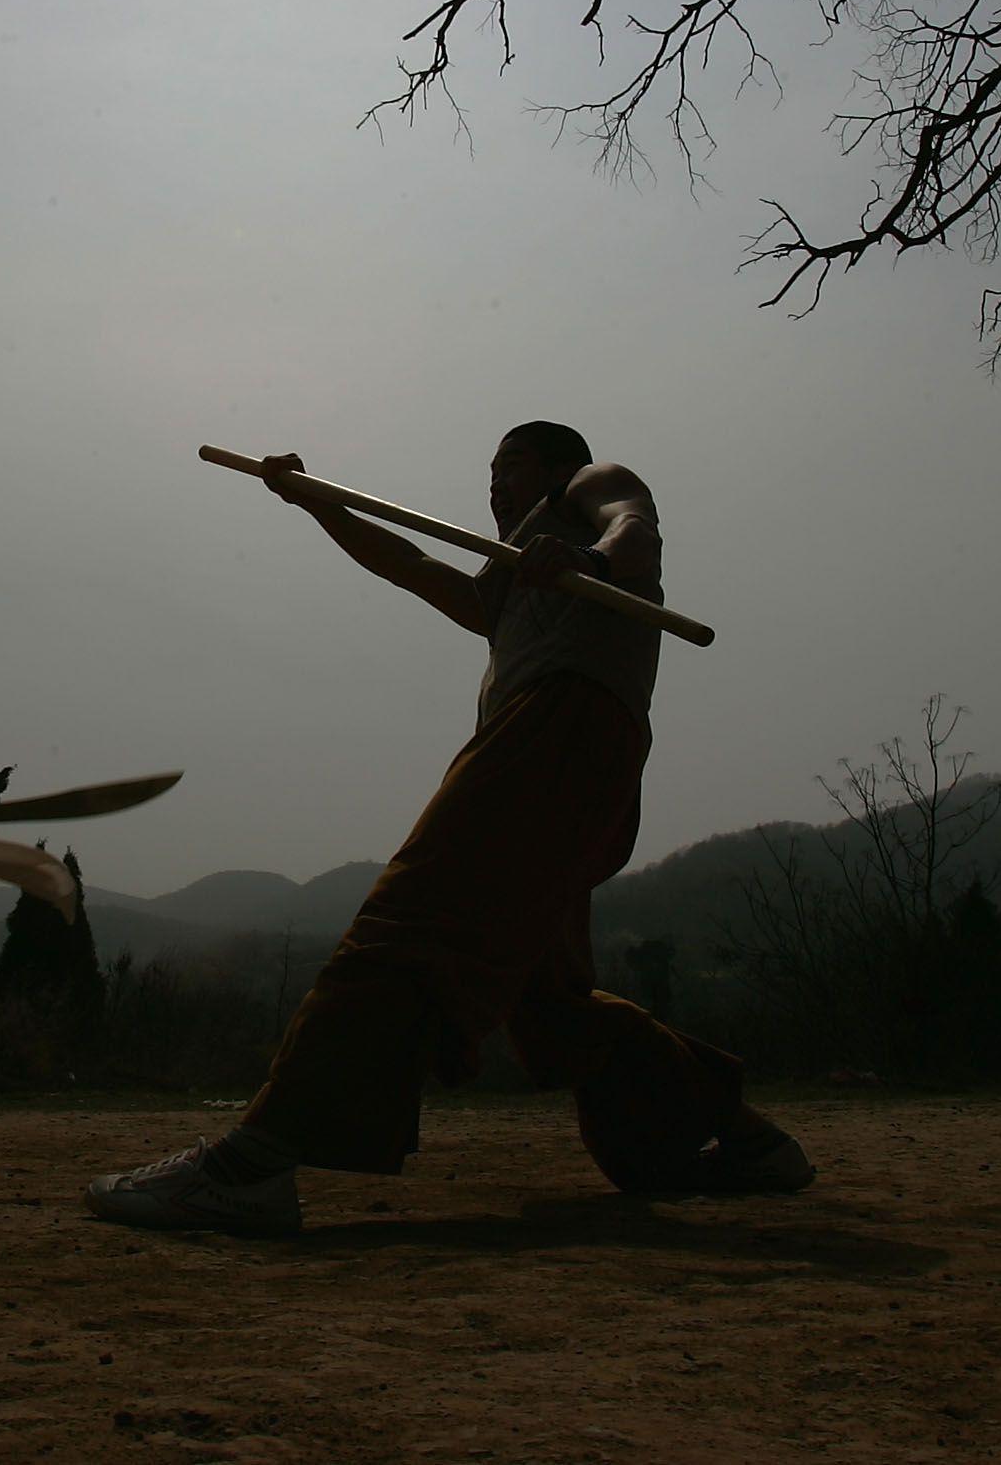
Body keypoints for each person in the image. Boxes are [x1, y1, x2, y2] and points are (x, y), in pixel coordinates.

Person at [84, 424, 812, 1236]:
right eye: (490, 475)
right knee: (549, 1006)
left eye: (509, 467)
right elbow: (414, 566)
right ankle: (746, 1141)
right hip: (570, 769)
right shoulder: (509, 577)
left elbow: (634, 521)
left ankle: (251, 1165)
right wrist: (315, 501)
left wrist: (595, 562)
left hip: (557, 735)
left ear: (555, 467)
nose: (495, 487)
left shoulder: (585, 493)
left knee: (413, 921)